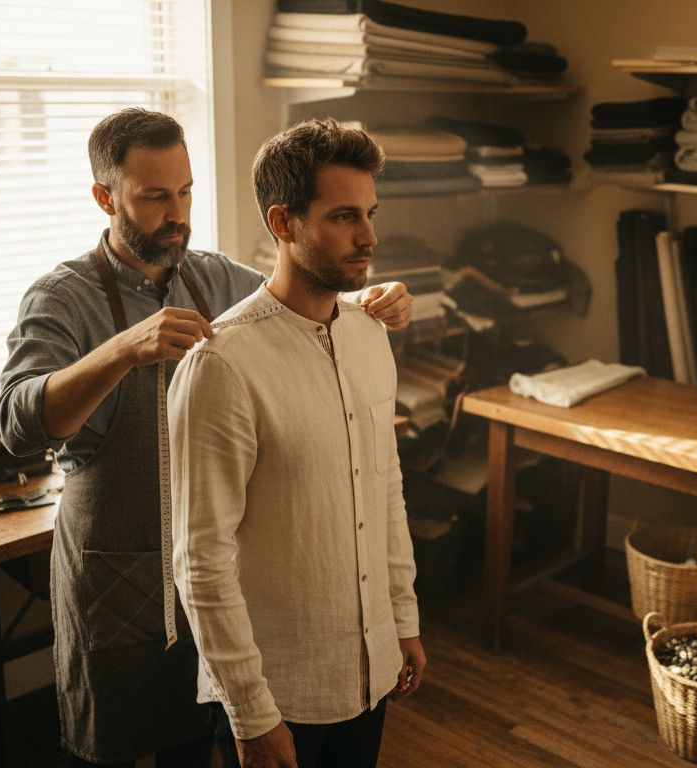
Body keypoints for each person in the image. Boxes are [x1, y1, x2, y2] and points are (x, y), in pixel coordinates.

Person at [0, 108, 413, 767]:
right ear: (106, 197)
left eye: (186, 191)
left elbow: (295, 312)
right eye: (155, 197)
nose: (178, 213)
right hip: (121, 571)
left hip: (213, 584)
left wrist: (376, 302)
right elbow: (17, 425)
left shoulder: (213, 277)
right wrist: (121, 351)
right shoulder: (62, 298)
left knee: (200, 744)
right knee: (119, 745)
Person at [168, 118, 425, 768]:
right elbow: (201, 562)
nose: (368, 236)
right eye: (344, 216)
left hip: (367, 669)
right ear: (283, 224)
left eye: (370, 212)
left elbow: (385, 488)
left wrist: (403, 619)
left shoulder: (370, 333)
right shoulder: (221, 366)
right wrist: (252, 716)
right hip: (277, 696)